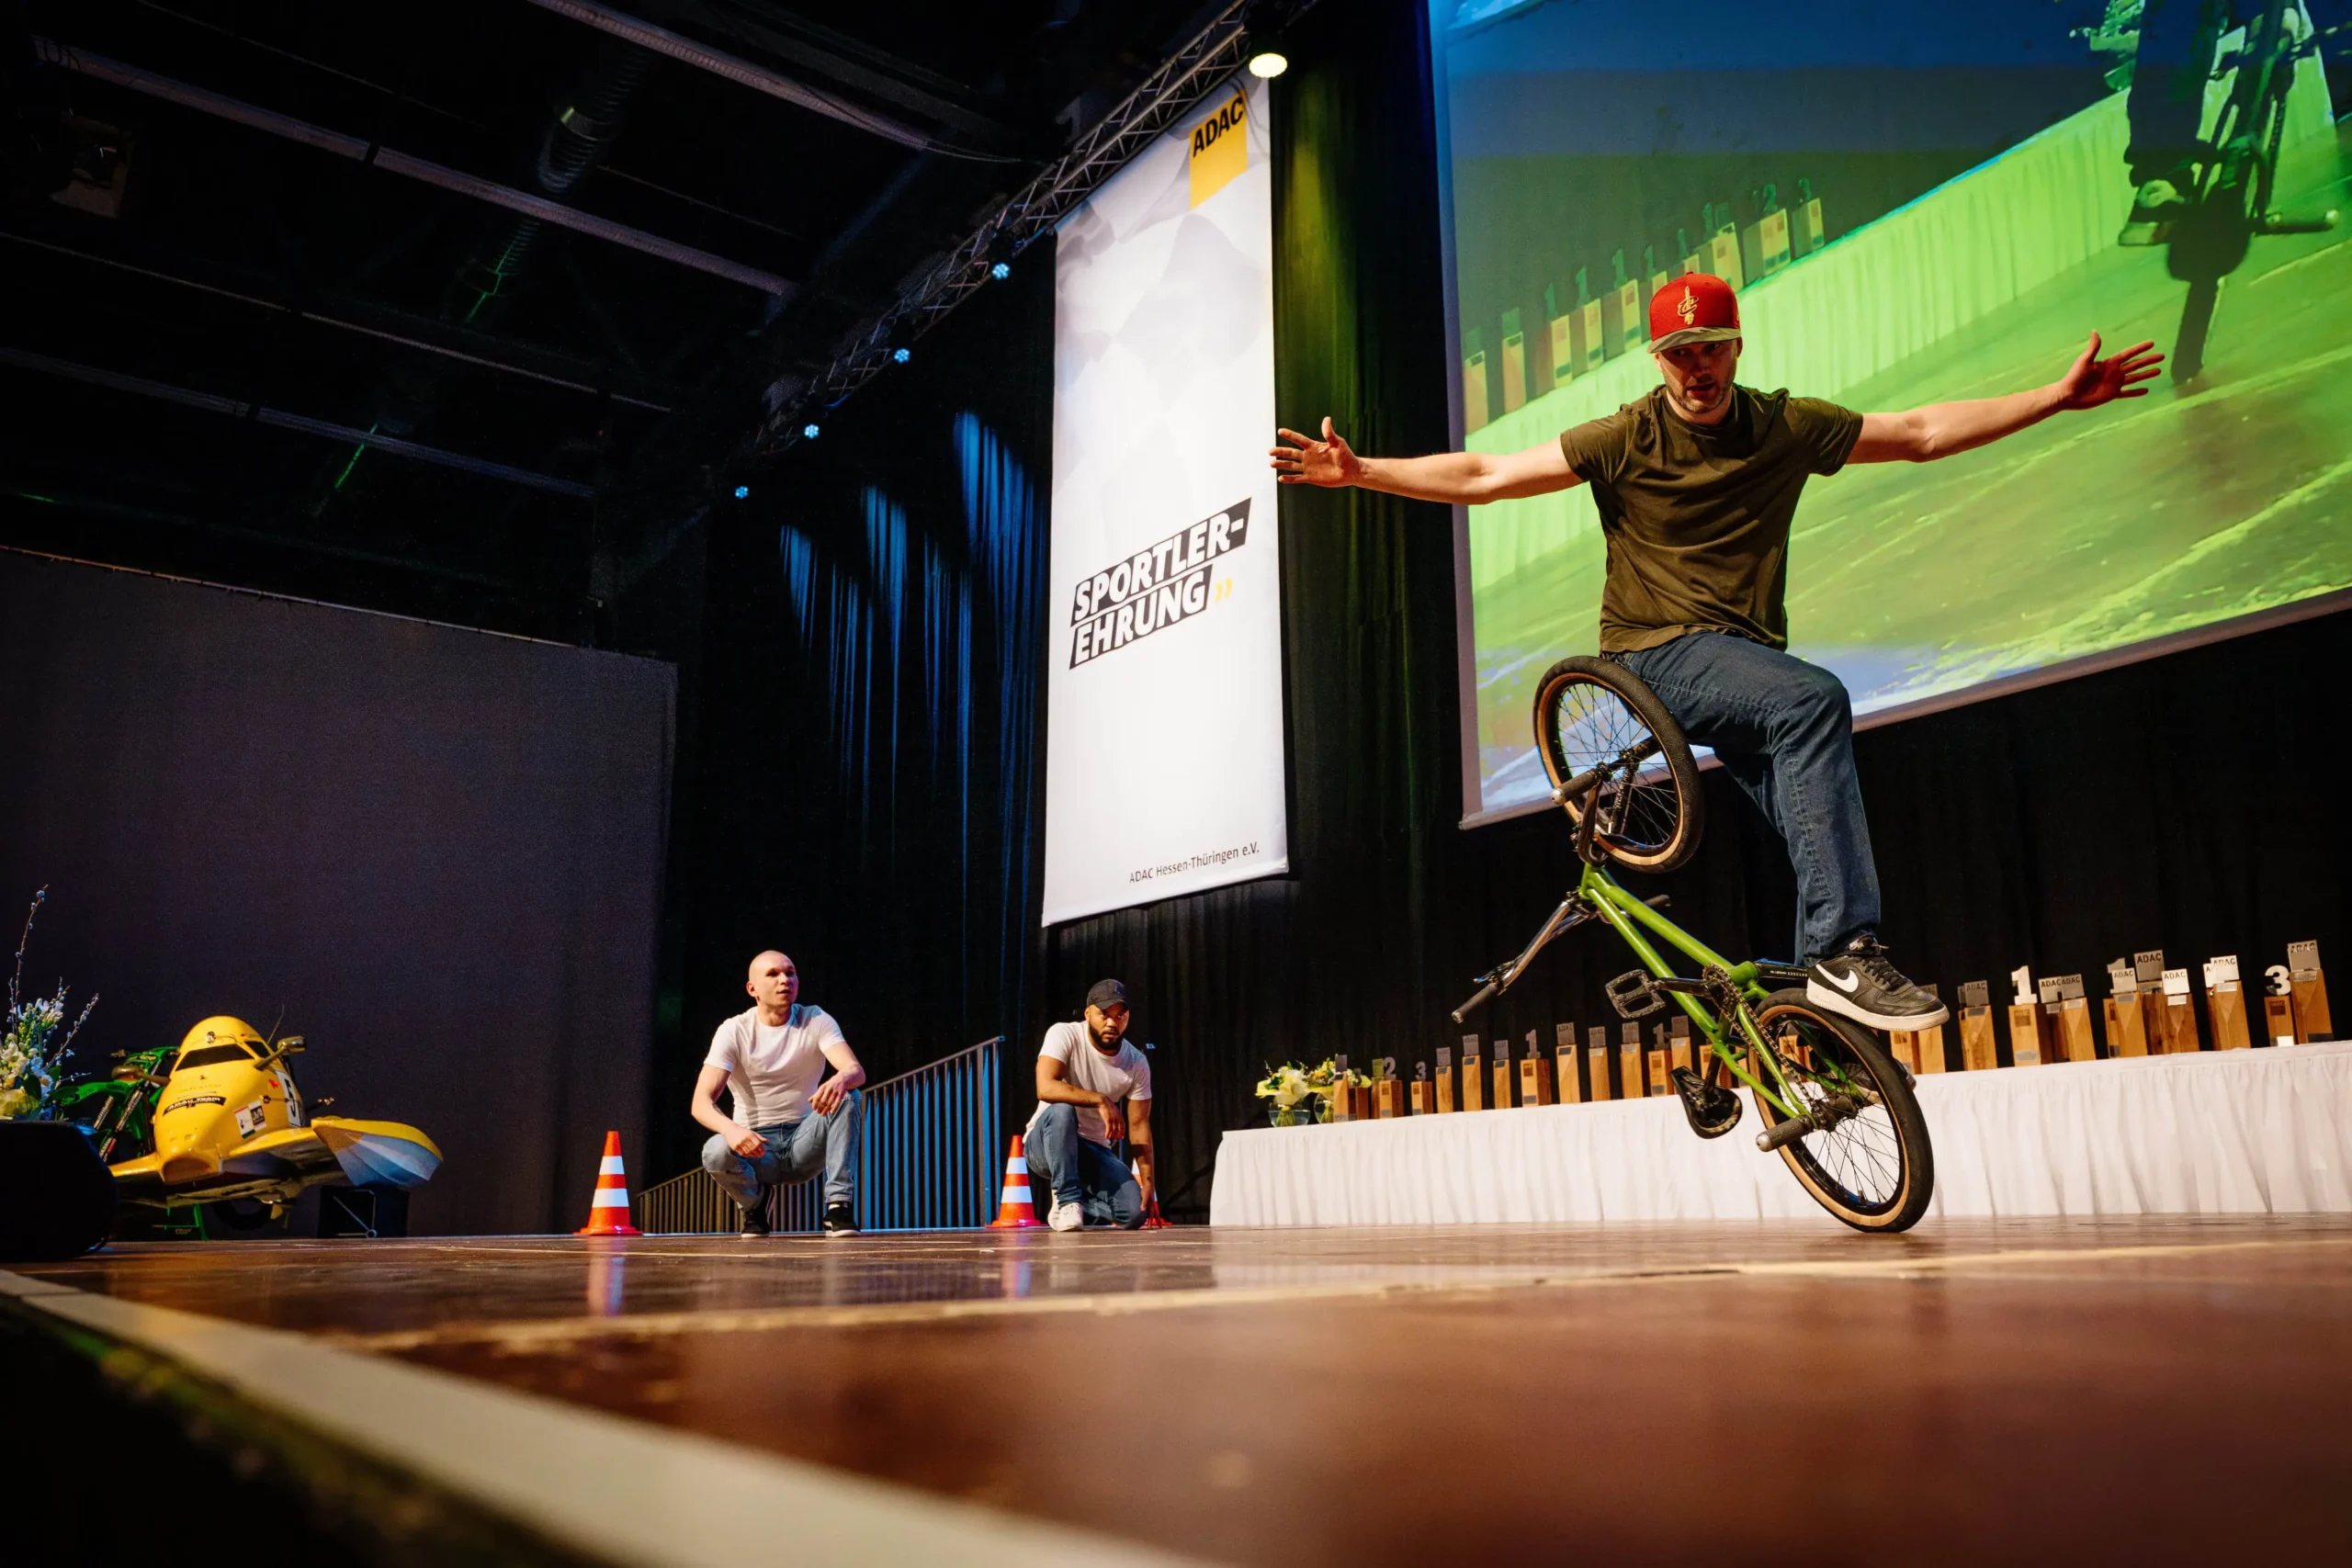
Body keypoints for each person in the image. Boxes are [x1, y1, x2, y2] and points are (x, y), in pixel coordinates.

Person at [1269, 272, 2160, 1032]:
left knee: (1812, 809)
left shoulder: (1784, 427)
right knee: (1812, 702)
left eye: (1712, 350)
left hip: (1739, 669)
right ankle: (1842, 953)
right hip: (1651, 658)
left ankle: (1817, 1027)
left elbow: (1919, 434)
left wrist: (2051, 396)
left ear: (1736, 348)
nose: (1696, 369)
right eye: (1679, 354)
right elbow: (1490, 476)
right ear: (1656, 361)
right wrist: (1364, 473)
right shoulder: (1625, 438)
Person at [692, 950, 865, 1237]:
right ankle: (755, 1204)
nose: (785, 980)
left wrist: (842, 1078)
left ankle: (838, 1207)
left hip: (804, 1142)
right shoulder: (734, 1031)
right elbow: (701, 1103)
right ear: (753, 989)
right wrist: (732, 1131)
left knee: (849, 1095)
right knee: (715, 1151)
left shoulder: (816, 1019)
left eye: (791, 973)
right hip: (758, 1148)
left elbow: (855, 1071)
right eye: (773, 974)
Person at [1026, 979, 1154, 1231]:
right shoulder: (1064, 1034)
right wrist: (1100, 1100)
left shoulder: (1136, 1062)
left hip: (1091, 1151)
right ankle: (1067, 1200)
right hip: (1044, 1145)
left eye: (1120, 1016)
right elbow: (1045, 1087)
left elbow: (1139, 1125)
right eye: (1104, 1015)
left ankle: (1071, 1193)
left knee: (1135, 1213)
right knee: (1062, 1109)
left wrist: (1148, 1180)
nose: (1111, 1023)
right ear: (1088, 1014)